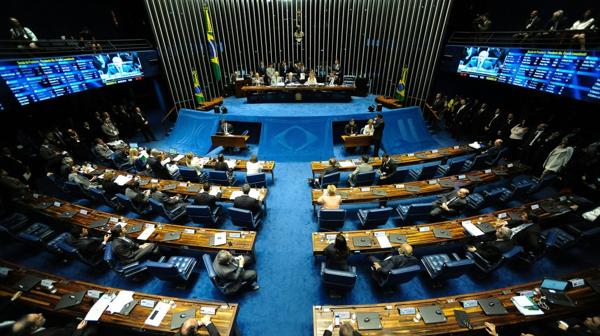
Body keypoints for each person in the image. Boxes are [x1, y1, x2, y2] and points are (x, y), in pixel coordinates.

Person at [7, 313, 95, 336]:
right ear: (33, 327)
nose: (40, 314)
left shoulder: (27, 331)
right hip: (75, 331)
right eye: (37, 317)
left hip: (64, 328)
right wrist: (79, 330)